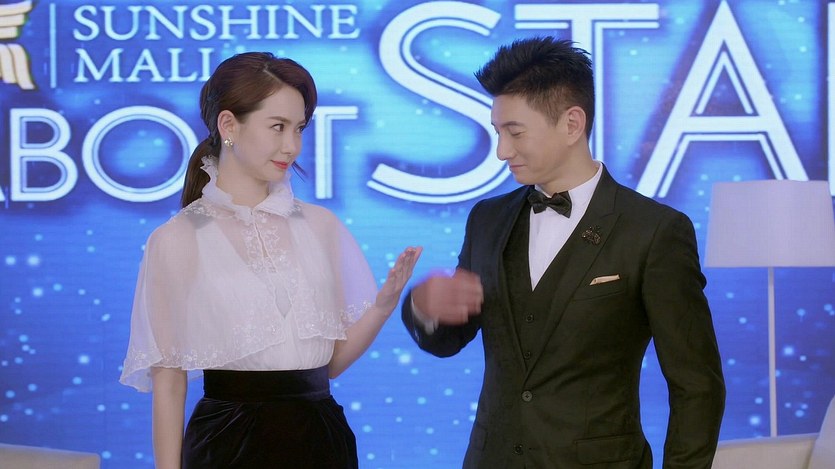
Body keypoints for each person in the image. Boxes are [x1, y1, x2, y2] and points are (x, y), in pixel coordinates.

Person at [402, 37, 725, 468]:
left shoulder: (654, 231)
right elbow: (446, 342)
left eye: (515, 132)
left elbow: (697, 385)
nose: (501, 151)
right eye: (498, 132)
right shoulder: (487, 220)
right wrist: (427, 308)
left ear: (572, 124)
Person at [120, 51, 421, 469]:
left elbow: (330, 366)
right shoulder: (177, 238)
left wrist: (383, 306)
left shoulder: (321, 226)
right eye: (277, 127)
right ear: (229, 125)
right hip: (228, 442)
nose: (291, 146)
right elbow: (169, 382)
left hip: (321, 438)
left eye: (299, 128)